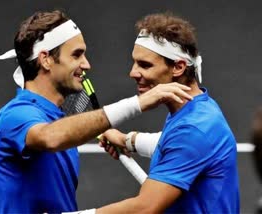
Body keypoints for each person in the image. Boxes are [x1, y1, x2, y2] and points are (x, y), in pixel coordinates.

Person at [0, 10, 193, 214]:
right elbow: (50, 136)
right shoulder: (15, 115)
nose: (86, 64)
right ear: (46, 59)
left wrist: (123, 138)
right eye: (77, 55)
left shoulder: (58, 120)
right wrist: (138, 103)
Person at [68, 12, 240, 214]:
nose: (133, 73)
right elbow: (170, 142)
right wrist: (127, 141)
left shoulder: (194, 130)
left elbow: (144, 208)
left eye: (145, 65)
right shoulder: (198, 108)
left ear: (178, 67)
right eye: (135, 62)